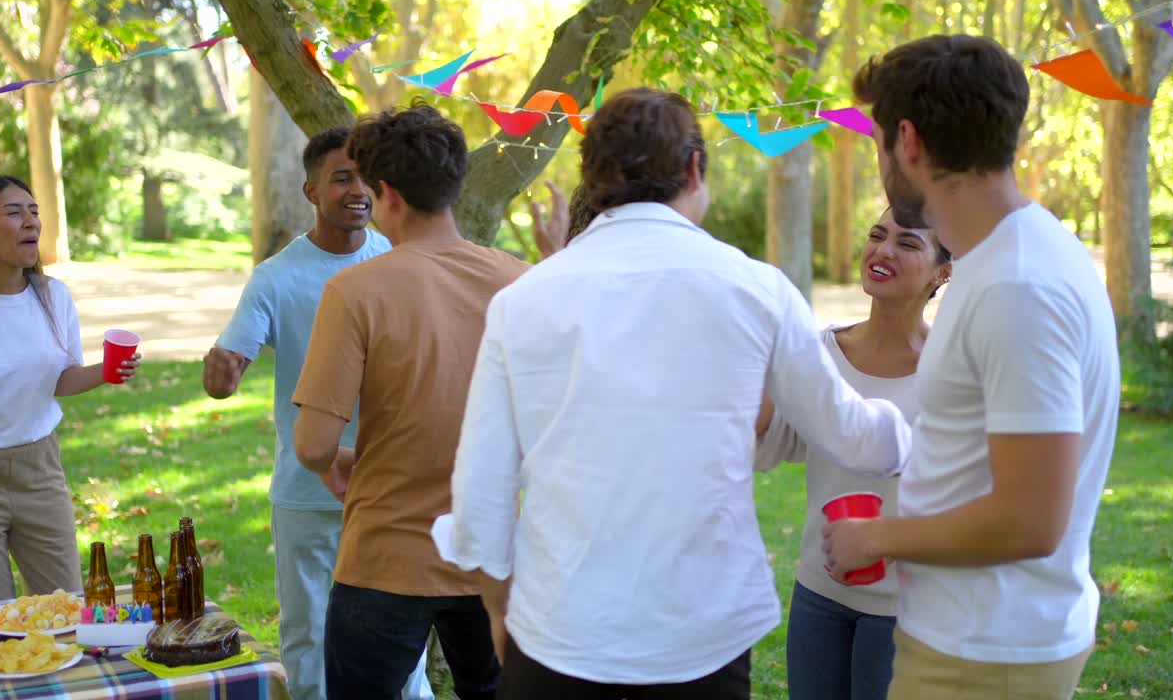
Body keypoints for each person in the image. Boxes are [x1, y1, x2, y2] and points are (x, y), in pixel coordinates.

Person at [442, 87, 911, 699]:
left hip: (559, 625)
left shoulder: (523, 301)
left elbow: (481, 488)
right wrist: (916, 429)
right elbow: (849, 433)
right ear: (694, 168)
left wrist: (499, 607)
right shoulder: (756, 288)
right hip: (700, 633)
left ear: (592, 175)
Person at [822, 34, 1120, 700]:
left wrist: (876, 537)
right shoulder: (1005, 260)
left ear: (908, 142)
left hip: (988, 655)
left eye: (876, 143)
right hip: (978, 642)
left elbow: (1030, 520)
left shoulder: (1018, 287)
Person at [292, 101, 526, 700]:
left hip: (385, 556)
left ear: (386, 192)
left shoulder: (354, 290)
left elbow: (314, 442)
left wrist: (330, 462)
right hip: (495, 549)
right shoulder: (522, 282)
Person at [203, 129, 432, 700]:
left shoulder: (402, 260)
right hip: (309, 485)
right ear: (311, 190)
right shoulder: (276, 278)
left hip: (391, 484)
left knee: (401, 644)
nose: (357, 190)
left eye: (364, 179)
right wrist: (221, 371)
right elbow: (230, 364)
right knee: (309, 635)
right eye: (341, 178)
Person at [755, 206, 951, 700]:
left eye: (908, 244)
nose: (883, 250)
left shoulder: (953, 371)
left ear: (943, 273)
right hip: (819, 594)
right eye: (877, 235)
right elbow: (777, 440)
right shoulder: (819, 352)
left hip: (909, 607)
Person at [0, 176, 140, 605]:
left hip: (39, 469)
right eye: (14, 212)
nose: (31, 222)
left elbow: (59, 378)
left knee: (64, 610)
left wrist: (107, 372)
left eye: (35, 211)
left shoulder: (53, 297)